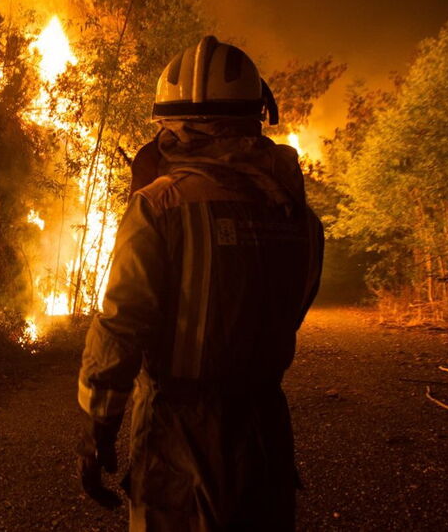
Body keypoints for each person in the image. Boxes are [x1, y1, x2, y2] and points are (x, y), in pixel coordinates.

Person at [77, 36, 324, 531]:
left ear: (173, 125)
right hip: (265, 434)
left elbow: (123, 322)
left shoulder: (160, 206)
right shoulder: (297, 215)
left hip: (177, 435)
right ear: (255, 117)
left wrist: (99, 423)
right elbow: (294, 308)